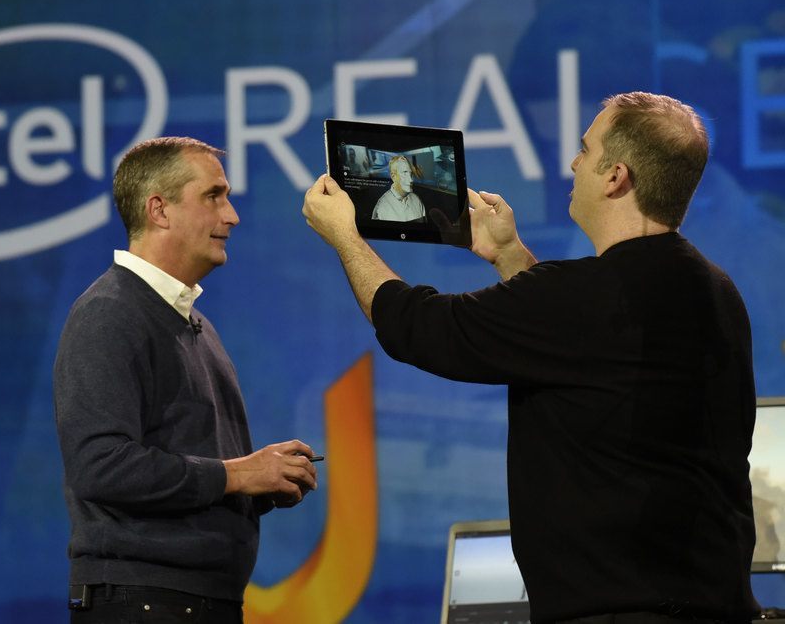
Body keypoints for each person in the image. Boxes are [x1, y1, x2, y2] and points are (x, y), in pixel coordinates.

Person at [303, 92, 760, 623]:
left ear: (615, 177)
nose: (573, 163)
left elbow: (419, 329)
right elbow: (583, 344)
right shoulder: (717, 290)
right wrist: (510, 256)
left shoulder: (582, 295)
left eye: (585, 150)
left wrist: (346, 237)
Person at [55, 136, 318, 624]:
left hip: (195, 602)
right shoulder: (108, 313)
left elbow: (191, 471)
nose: (232, 216)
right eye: (213, 196)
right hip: (145, 603)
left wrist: (261, 484)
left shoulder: (194, 323)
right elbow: (101, 467)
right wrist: (239, 474)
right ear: (159, 210)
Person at [371, 154, 426, 222]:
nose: (411, 180)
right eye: (405, 173)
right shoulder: (381, 207)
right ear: (393, 176)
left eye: (411, 174)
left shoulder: (417, 200)